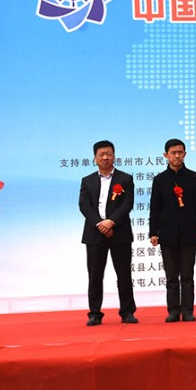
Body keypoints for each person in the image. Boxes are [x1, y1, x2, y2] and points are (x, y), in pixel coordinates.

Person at [79, 140, 137, 326]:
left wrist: (111, 222)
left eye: (109, 154)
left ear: (114, 156)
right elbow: (84, 205)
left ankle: (127, 312)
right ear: (95, 158)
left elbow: (127, 204)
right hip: (94, 234)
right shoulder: (87, 181)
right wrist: (99, 224)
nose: (105, 157)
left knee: (124, 274)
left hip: (119, 232)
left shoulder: (125, 179)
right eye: (101, 154)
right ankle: (95, 313)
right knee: (95, 275)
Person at [149, 139, 196, 322]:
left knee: (187, 275)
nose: (176, 156)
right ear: (165, 155)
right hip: (167, 234)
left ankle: (188, 310)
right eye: (173, 153)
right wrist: (153, 232)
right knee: (171, 276)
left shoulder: (194, 177)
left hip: (189, 232)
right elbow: (155, 208)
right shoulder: (159, 180)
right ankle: (173, 311)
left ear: (185, 154)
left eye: (180, 152)